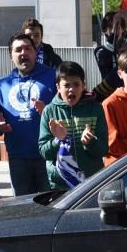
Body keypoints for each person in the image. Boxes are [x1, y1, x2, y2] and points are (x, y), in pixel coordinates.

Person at [0, 33, 56, 195]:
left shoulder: (53, 77)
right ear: (11, 56)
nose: (23, 53)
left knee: (53, 206)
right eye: (18, 50)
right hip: (18, 159)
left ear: (35, 52)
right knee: (24, 209)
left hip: (49, 156)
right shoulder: (1, 86)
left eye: (28, 48)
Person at [38, 61, 107, 189]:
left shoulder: (95, 109)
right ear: (58, 87)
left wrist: (90, 142)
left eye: (76, 84)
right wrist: (58, 140)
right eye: (66, 85)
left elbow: (103, 149)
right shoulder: (49, 111)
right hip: (60, 183)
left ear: (83, 85)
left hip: (91, 181)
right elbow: (43, 152)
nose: (71, 89)